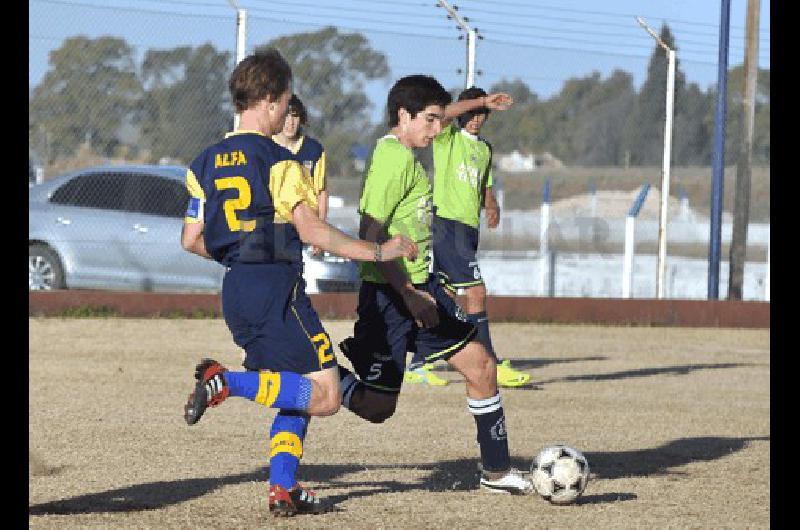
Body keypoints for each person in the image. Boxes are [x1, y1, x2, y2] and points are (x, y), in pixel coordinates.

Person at [180, 49, 418, 517]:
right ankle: (226, 382)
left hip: (237, 290)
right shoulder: (280, 161)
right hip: (277, 291)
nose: (289, 112)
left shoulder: (202, 163)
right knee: (326, 397)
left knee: (298, 387)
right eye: (287, 102)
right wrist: (379, 251)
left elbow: (191, 239)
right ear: (269, 100)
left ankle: (282, 488)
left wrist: (241, 252)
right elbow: (312, 231)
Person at [335, 74, 533, 495]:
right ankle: (320, 372)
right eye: (428, 120)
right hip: (391, 296)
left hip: (422, 289)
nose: (436, 128)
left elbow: (443, 115)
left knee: (481, 365)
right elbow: (370, 231)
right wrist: (407, 294)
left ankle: (496, 472)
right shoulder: (392, 159)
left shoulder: (411, 151)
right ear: (403, 116)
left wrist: (419, 290)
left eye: (439, 120)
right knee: (376, 408)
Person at [405, 86, 532, 389]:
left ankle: (419, 362)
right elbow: (446, 113)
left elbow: (485, 182)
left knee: (445, 297)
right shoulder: (447, 137)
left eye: (482, 115)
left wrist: (491, 203)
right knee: (476, 292)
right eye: (472, 113)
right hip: (447, 225)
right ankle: (489, 361)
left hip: (468, 229)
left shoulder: (485, 149)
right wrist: (481, 101)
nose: (476, 119)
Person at [272, 95, 329, 258]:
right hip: (274, 225)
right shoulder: (266, 146)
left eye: (295, 116)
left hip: (305, 225)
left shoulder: (313, 150)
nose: (290, 122)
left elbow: (321, 192)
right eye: (286, 116)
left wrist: (320, 231)